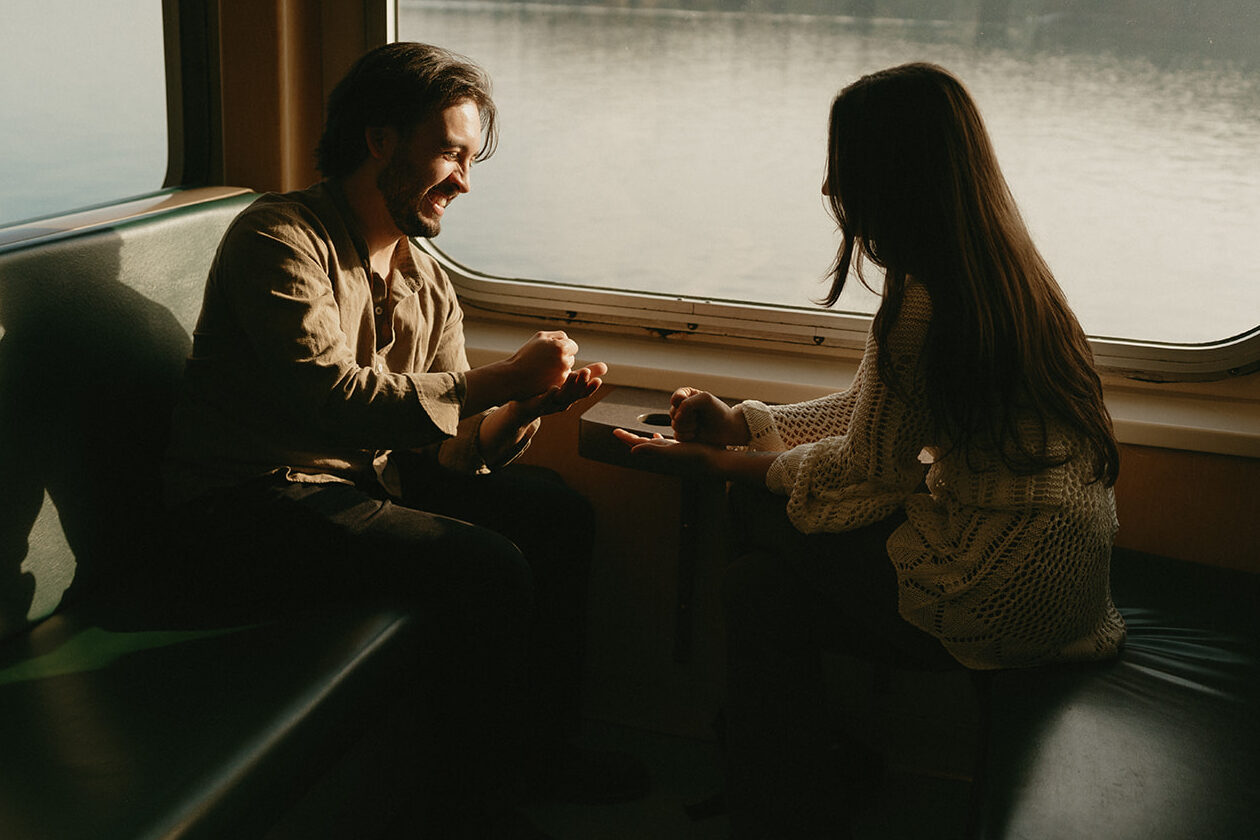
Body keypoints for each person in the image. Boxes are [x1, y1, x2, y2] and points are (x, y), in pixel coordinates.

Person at [615, 62, 1127, 839]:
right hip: (1061, 570)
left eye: (843, 166)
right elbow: (871, 414)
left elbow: (869, 471)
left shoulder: (922, 301)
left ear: (886, 173)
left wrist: (719, 466)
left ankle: (787, 792)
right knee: (758, 589)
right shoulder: (1002, 268)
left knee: (756, 515)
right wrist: (743, 422)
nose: (830, 189)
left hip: (1005, 586)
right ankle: (794, 781)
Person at [163, 42, 643, 838]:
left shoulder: (427, 282)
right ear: (381, 140)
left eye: (468, 157)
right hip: (244, 507)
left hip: (353, 492)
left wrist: (527, 405)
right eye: (449, 152)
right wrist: (496, 380)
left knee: (556, 512)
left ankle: (542, 754)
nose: (463, 178)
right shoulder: (279, 238)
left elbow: (445, 455)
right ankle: (470, 810)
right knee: (482, 565)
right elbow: (334, 401)